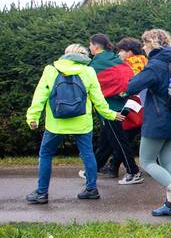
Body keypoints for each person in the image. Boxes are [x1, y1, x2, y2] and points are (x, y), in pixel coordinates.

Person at [25, 44, 124, 204]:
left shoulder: (51, 70)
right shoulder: (88, 71)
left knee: (46, 155)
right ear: (84, 57)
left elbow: (40, 96)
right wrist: (111, 114)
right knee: (88, 154)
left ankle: (42, 193)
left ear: (66, 55)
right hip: (82, 122)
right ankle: (91, 189)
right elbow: (98, 99)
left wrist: (33, 117)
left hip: (56, 123)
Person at [124, 30, 171, 216]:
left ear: (152, 44)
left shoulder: (155, 65)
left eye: (144, 44)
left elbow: (131, 86)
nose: (143, 48)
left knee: (147, 161)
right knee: (166, 160)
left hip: (158, 121)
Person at [88, 33, 142, 184]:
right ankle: (93, 168)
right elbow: (127, 79)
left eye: (90, 45)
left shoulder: (96, 64)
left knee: (119, 141)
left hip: (110, 108)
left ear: (96, 46)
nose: (89, 47)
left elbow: (95, 85)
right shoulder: (115, 59)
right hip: (124, 103)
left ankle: (133, 171)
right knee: (108, 140)